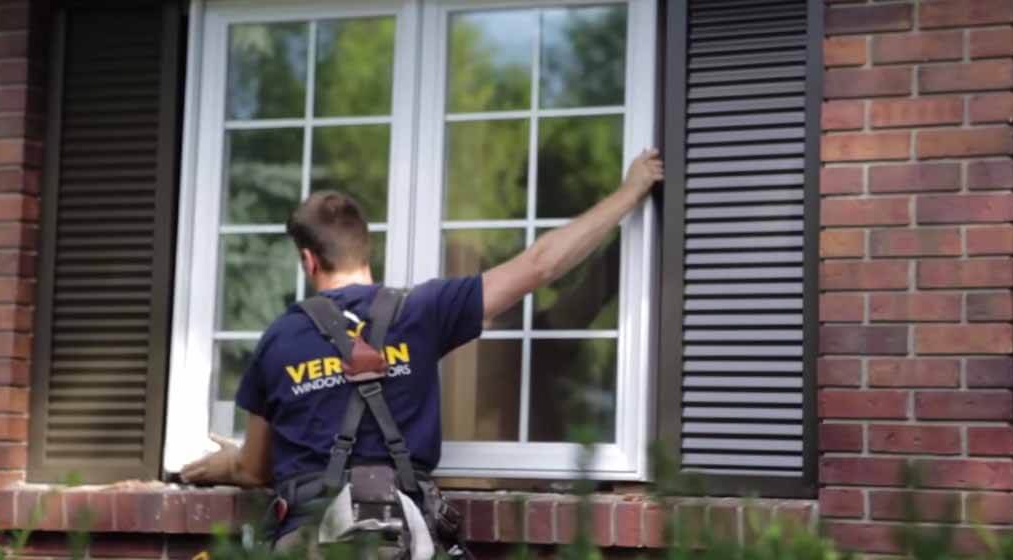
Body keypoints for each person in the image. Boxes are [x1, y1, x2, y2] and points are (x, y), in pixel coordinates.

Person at [180, 149, 664, 553]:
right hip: (403, 535)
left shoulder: (279, 338)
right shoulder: (424, 311)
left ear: (308, 259)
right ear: (366, 250)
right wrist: (631, 189)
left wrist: (228, 463)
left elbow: (255, 468)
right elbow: (540, 265)